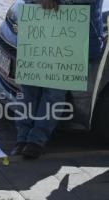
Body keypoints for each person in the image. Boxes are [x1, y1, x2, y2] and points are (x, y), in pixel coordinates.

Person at [11, 0, 105, 159]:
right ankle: (22, 138)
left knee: (54, 91)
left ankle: (36, 141)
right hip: (40, 24)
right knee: (29, 88)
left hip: (72, 32)